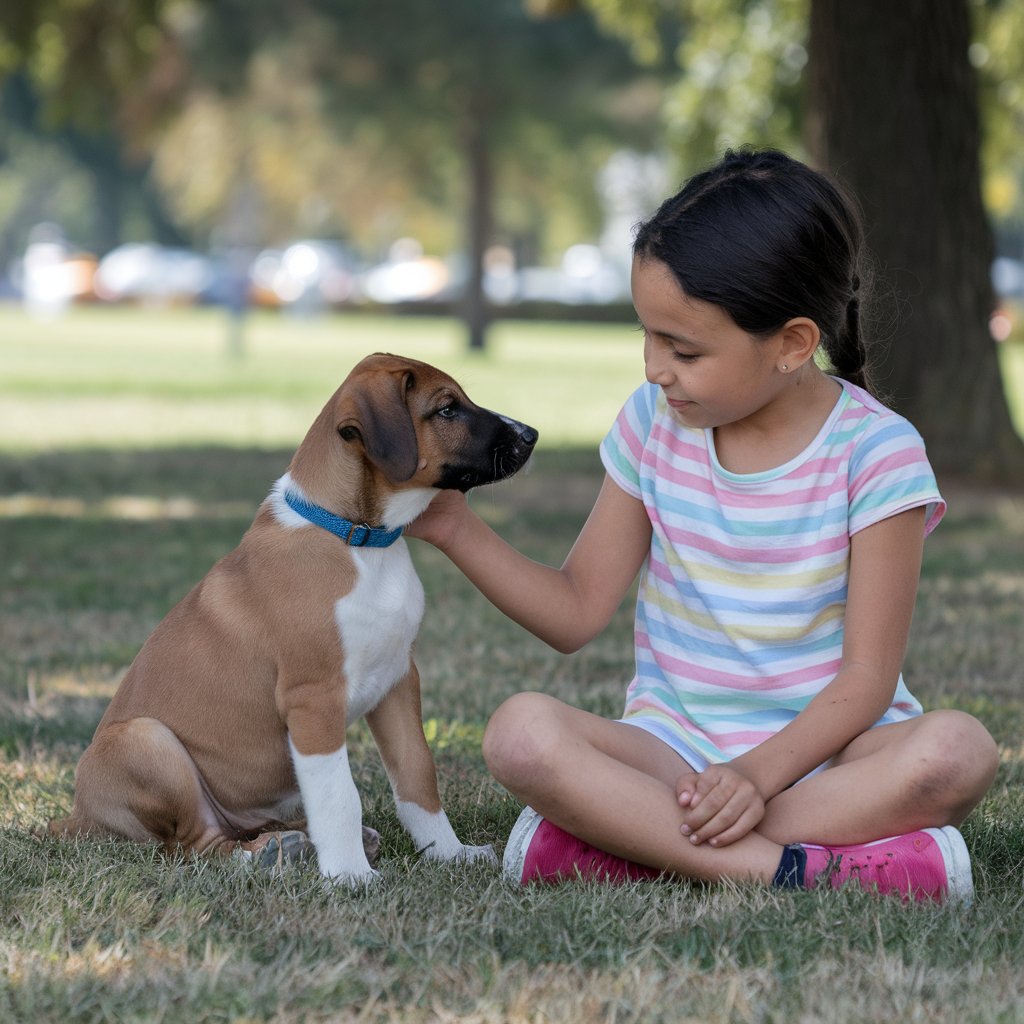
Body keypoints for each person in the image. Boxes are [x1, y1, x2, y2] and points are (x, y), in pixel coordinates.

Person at [407, 148, 999, 903]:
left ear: (791, 344)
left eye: (683, 348)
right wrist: (457, 527)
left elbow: (866, 678)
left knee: (957, 751)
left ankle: (631, 844)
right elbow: (575, 609)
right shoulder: (654, 423)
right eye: (648, 337)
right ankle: (798, 873)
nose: (656, 368)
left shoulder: (878, 452)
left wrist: (753, 778)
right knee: (518, 733)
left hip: (833, 757)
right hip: (672, 751)